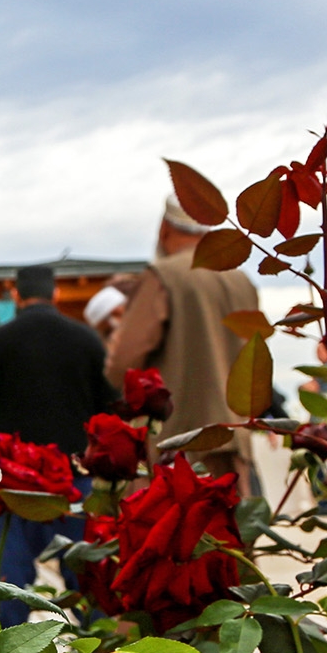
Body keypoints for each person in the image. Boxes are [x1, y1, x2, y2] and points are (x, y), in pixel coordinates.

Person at [0, 265, 114, 625]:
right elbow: (107, 408)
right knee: (85, 580)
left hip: (14, 484)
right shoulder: (86, 340)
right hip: (72, 479)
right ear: (57, 294)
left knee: (9, 582)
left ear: (17, 295)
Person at [107, 196, 262, 489]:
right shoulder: (241, 280)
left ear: (164, 229)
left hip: (179, 444)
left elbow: (123, 364)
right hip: (235, 438)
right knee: (230, 528)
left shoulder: (164, 276)